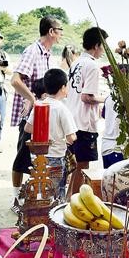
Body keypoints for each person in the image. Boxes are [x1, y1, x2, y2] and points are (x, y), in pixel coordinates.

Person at [9, 15, 63, 213]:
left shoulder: (47, 54)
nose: (61, 35)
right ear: (51, 31)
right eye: (60, 30)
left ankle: (32, 198)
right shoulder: (33, 51)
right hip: (30, 117)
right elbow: (15, 80)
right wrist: (32, 99)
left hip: (43, 116)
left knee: (38, 158)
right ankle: (16, 199)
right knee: (22, 158)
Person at [65, 27, 107, 195]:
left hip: (71, 119)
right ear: (96, 45)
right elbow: (87, 97)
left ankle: (68, 197)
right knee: (82, 167)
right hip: (83, 122)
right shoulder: (92, 65)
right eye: (103, 45)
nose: (104, 49)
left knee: (74, 166)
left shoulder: (76, 62)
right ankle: (73, 201)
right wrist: (106, 99)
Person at [25, 68, 77, 199]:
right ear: (63, 87)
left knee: (41, 191)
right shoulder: (62, 109)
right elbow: (71, 137)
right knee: (56, 193)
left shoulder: (39, 105)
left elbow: (28, 128)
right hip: (56, 157)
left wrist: (44, 132)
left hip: (37, 156)